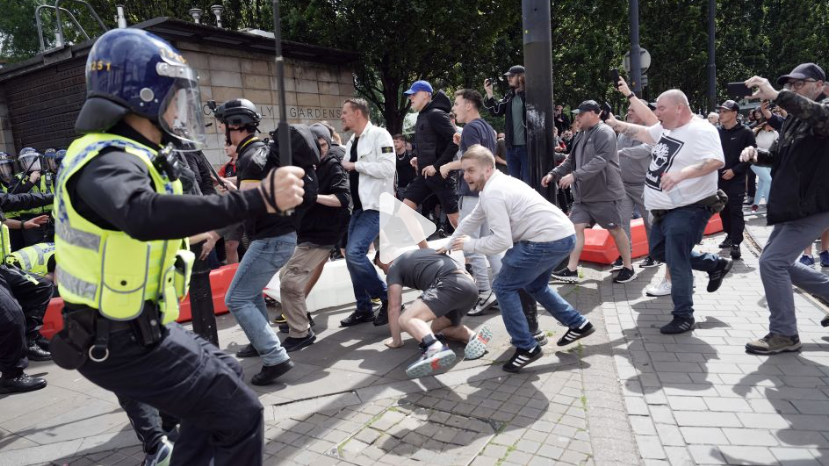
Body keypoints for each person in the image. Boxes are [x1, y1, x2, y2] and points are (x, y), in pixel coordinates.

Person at [49, 28, 307, 465]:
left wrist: (198, 230)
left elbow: (131, 231)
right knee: (239, 414)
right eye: (173, 96)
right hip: (115, 339)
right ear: (143, 95)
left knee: (224, 379)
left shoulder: (128, 155)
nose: (177, 108)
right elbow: (141, 213)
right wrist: (258, 198)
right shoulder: (107, 160)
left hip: (138, 328)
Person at [441, 145, 595, 373]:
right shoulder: (494, 184)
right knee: (535, 285)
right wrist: (449, 243)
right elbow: (471, 218)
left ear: (488, 168)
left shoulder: (494, 193)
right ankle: (579, 324)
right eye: (464, 171)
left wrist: (469, 245)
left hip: (546, 240)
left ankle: (526, 347)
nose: (465, 176)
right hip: (563, 236)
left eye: (471, 170)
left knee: (502, 287)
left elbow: (501, 242)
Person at [605, 89, 733, 334]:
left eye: (661, 108)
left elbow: (716, 161)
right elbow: (642, 132)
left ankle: (684, 316)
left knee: (677, 259)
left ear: (679, 108)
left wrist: (681, 174)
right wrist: (614, 123)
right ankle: (714, 265)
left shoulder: (702, 130)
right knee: (658, 251)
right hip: (664, 209)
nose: (656, 113)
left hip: (689, 208)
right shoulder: (667, 128)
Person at [220, 98, 319, 385]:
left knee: (235, 298)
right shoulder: (261, 152)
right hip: (281, 236)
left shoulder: (250, 158)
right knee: (249, 294)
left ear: (235, 125)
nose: (223, 130)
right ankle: (259, 341)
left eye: (225, 125)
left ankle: (275, 358)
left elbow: (251, 205)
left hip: (270, 239)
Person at [738, 63, 828, 354]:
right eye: (790, 85)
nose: (793, 88)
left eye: (799, 84)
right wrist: (756, 154)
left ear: (820, 85)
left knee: (772, 263)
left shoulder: (824, 109)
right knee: (779, 262)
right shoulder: (791, 120)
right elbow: (776, 157)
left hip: (813, 205)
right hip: (792, 206)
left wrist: (777, 95)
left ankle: (785, 334)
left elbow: (819, 116)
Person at [546, 100, 636, 284]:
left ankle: (628, 266)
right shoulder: (581, 134)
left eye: (581, 113)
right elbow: (571, 159)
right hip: (583, 196)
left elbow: (600, 160)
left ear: (595, 113)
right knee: (575, 228)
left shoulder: (605, 132)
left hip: (605, 194)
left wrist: (575, 176)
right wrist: (554, 174)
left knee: (615, 230)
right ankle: (571, 270)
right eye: (577, 113)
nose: (577, 117)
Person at [278, 123, 350, 351]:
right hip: (305, 234)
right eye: (315, 145)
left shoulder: (332, 166)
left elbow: (341, 199)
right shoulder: (305, 167)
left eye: (322, 145)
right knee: (286, 276)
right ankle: (301, 318)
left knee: (290, 281)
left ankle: (300, 333)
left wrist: (314, 196)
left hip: (323, 234)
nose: (319, 149)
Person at [374, 249, 491, 377]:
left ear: (387, 258)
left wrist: (396, 341)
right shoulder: (420, 254)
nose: (384, 271)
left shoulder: (394, 267)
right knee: (438, 329)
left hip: (449, 284)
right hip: (470, 287)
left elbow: (394, 307)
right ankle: (473, 337)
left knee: (406, 319)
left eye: (382, 266)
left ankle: (433, 348)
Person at [439, 89, 500, 316]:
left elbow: (471, 161)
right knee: (490, 247)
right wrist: (461, 143)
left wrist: (446, 166)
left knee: (469, 245)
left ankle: (485, 292)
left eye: (456, 104)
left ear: (469, 105)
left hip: (473, 192)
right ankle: (503, 291)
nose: (453, 108)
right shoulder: (485, 128)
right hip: (484, 192)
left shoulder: (472, 128)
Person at [339, 98, 397, 327]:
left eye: (345, 112)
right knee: (349, 256)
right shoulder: (353, 139)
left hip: (377, 206)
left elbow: (387, 168)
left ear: (358, 113)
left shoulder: (380, 135)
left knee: (354, 253)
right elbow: (344, 163)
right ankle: (363, 308)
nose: (342, 116)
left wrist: (356, 166)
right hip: (360, 208)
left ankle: (387, 298)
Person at [402, 80, 460, 241]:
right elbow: (431, 144)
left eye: (414, 94)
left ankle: (475, 258)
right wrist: (418, 158)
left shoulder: (436, 114)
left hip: (442, 176)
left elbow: (455, 142)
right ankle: (425, 252)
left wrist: (436, 166)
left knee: (455, 220)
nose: (411, 98)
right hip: (425, 175)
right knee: (404, 211)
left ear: (426, 95)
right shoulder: (423, 115)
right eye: (410, 95)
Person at [611, 82, 660, 269]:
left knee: (650, 222)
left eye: (633, 109)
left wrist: (621, 153)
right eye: (629, 109)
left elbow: (644, 150)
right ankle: (625, 257)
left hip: (644, 185)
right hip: (623, 185)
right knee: (622, 222)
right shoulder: (624, 131)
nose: (629, 112)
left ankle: (654, 255)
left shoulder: (651, 132)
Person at [716, 100, 756, 260]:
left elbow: (752, 155)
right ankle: (729, 234)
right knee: (723, 211)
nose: (721, 114)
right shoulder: (716, 132)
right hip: (718, 179)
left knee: (735, 211)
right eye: (720, 111)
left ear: (734, 113)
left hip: (736, 179)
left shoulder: (746, 132)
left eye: (725, 111)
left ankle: (736, 243)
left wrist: (735, 171)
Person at [484, 66, 530, 185]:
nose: (508, 78)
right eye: (508, 76)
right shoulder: (509, 96)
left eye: (512, 76)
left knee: (528, 184)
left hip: (527, 148)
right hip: (510, 148)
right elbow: (495, 112)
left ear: (521, 76)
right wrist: (489, 93)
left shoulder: (530, 95)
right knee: (514, 185)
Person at [750, 120, 777, 213]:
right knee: (768, 180)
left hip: (768, 160)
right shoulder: (755, 131)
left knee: (762, 182)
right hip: (755, 159)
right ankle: (769, 205)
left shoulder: (775, 133)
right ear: (767, 123)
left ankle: (755, 205)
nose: (775, 126)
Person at [393, 134, 416, 200]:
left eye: (397, 142)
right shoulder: (393, 156)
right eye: (394, 142)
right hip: (399, 187)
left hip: (411, 186)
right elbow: (392, 173)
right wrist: (393, 189)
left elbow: (417, 170)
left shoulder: (411, 154)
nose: (395, 144)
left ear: (403, 142)